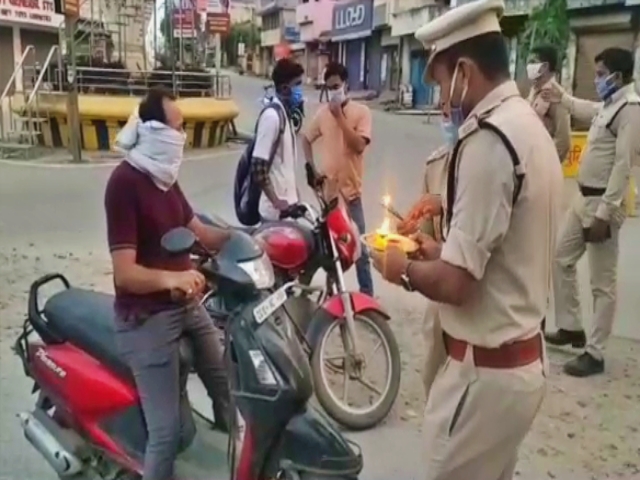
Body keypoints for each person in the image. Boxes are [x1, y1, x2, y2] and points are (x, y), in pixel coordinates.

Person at [370, 0, 564, 478]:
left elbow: (457, 285)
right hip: (517, 363)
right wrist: (436, 249)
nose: (440, 98)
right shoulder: (525, 126)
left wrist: (403, 269)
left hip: (484, 376)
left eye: (438, 82)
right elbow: (500, 250)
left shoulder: (487, 142)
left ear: (463, 70)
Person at [105, 86, 231, 480]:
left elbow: (198, 231)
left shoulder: (166, 179)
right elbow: (125, 273)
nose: (183, 137)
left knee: (224, 384)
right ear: (156, 131)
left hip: (186, 304)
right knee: (165, 432)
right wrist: (172, 278)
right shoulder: (124, 184)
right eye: (177, 128)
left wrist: (248, 238)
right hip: (145, 317)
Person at [541, 47, 640, 377]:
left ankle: (595, 353)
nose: (597, 79)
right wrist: (562, 96)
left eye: (601, 74)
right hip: (583, 199)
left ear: (618, 76)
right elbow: (588, 108)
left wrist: (605, 213)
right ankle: (571, 327)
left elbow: (623, 166)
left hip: (602, 206)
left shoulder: (630, 110)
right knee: (561, 257)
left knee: (602, 283)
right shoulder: (610, 106)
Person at [302, 61, 375, 297]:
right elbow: (306, 138)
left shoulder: (361, 113)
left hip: (351, 194)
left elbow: (358, 146)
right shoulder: (322, 115)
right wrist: (310, 167)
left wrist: (340, 117)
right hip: (329, 196)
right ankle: (333, 294)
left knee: (360, 248)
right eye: (329, 86)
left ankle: (366, 295)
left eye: (336, 86)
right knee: (331, 248)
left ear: (346, 85)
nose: (333, 90)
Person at [252, 58, 305, 221]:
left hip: (289, 210)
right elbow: (258, 166)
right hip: (274, 215)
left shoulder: (285, 115)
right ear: (284, 88)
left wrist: (294, 193)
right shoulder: (271, 117)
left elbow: (284, 166)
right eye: (297, 85)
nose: (300, 91)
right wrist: (275, 201)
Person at [526, 43, 571, 163]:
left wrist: (547, 164)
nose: (529, 66)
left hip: (541, 163)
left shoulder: (555, 94)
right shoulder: (534, 91)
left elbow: (563, 139)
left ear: (545, 66)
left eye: (533, 62)